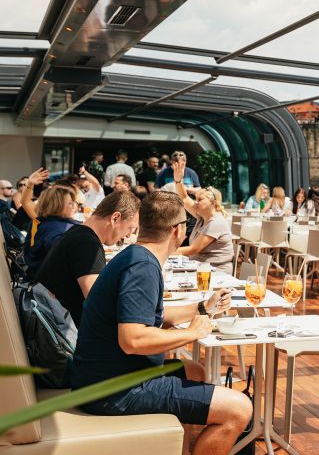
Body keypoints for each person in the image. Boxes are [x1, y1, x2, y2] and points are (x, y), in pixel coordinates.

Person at [70, 192, 250, 455]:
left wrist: (201, 308)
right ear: (178, 231)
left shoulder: (134, 256)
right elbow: (133, 340)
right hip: (114, 390)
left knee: (194, 371)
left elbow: (149, 317)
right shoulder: (142, 267)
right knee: (239, 408)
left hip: (99, 378)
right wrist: (192, 333)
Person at [33, 191, 141, 325]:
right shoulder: (87, 244)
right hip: (69, 334)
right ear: (115, 218)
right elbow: (99, 302)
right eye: (131, 228)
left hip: (59, 324)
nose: (129, 235)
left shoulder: (78, 234)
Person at [169, 161, 234, 273]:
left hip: (217, 272)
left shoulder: (216, 222)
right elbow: (184, 198)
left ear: (213, 202)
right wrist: (178, 181)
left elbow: (194, 249)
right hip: (200, 267)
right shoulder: (202, 216)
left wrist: (165, 251)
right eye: (196, 199)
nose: (196, 202)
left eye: (200, 200)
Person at [25, 185, 80, 280]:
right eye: (70, 203)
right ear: (57, 206)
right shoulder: (58, 229)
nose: (75, 207)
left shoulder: (41, 222)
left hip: (35, 277)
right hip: (49, 287)